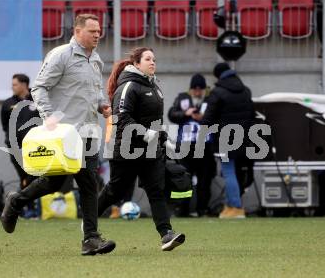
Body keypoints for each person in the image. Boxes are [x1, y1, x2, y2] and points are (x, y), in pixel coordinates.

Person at [0, 14, 116, 256]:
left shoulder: (96, 60)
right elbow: (39, 87)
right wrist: (48, 115)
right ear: (77, 31)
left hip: (88, 133)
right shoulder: (60, 55)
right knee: (54, 182)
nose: (97, 35)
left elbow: (93, 94)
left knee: (88, 183)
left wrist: (102, 106)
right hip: (63, 135)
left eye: (99, 31)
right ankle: (16, 201)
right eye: (92, 31)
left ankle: (91, 239)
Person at [98, 47, 185, 251]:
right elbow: (122, 118)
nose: (153, 62)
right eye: (148, 59)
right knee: (115, 191)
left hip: (151, 150)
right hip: (127, 149)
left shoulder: (156, 87)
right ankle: (89, 221)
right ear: (136, 64)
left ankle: (166, 234)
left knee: (156, 190)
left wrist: (164, 140)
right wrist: (148, 134)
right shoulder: (128, 86)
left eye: (154, 59)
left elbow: (156, 122)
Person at [201, 62, 255, 219]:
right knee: (236, 171)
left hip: (225, 138)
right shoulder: (246, 91)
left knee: (228, 171)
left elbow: (208, 118)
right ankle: (233, 204)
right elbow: (252, 115)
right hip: (244, 137)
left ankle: (235, 207)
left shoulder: (217, 92)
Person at [168, 74, 216, 217]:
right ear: (190, 89)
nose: (197, 91)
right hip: (186, 146)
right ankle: (183, 210)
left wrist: (204, 118)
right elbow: (171, 114)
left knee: (205, 180)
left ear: (204, 89)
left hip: (205, 146)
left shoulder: (210, 100)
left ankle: (202, 209)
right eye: (194, 88)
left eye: (200, 88)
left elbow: (218, 118)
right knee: (184, 180)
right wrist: (185, 113)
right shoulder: (182, 98)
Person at [0, 74, 41, 190]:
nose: (12, 87)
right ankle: (25, 204)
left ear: (24, 85)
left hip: (35, 146)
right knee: (24, 176)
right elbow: (4, 124)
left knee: (36, 175)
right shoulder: (8, 103)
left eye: (15, 84)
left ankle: (36, 204)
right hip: (16, 146)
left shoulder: (37, 100)